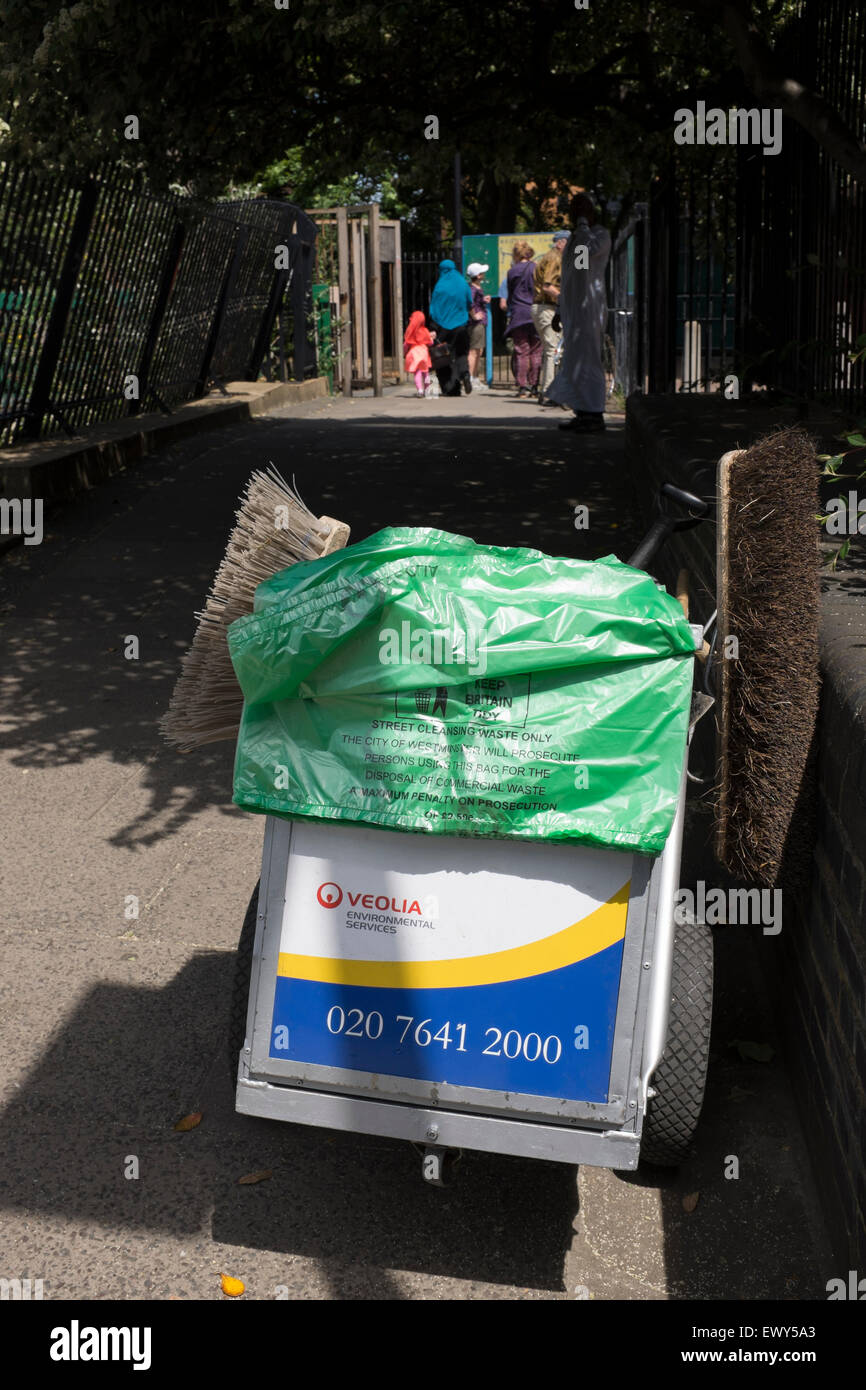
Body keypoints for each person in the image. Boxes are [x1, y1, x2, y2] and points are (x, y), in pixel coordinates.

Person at [547, 193, 612, 432]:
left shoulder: (599, 235)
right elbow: (570, 277)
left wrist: (584, 226)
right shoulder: (576, 238)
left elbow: (584, 261)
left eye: (581, 209)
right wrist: (559, 309)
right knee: (574, 362)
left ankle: (594, 414)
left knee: (588, 360)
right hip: (573, 310)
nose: (577, 214)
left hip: (589, 309)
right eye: (575, 210)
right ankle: (582, 411)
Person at [532, 231, 568, 406]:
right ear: (561, 242)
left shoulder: (551, 256)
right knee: (552, 350)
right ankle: (548, 393)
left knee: (551, 350)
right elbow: (547, 286)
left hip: (544, 307)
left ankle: (548, 391)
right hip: (547, 307)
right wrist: (564, 298)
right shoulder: (555, 258)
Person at [428, 258, 474, 396]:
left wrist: (433, 328)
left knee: (443, 358)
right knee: (461, 353)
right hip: (461, 325)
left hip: (443, 328)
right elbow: (469, 302)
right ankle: (465, 373)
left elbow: (434, 309)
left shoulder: (440, 286)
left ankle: (451, 388)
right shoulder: (462, 283)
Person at [505, 241, 542, 396]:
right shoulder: (536, 268)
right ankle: (535, 386)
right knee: (536, 351)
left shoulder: (512, 271)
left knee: (521, 351)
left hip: (518, 313)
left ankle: (522, 386)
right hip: (535, 311)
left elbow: (510, 293)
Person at [466, 262, 491, 389]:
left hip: (480, 323)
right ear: (478, 275)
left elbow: (474, 302)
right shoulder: (472, 289)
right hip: (476, 324)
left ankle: (475, 377)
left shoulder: (476, 287)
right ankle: (471, 378)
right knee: (474, 351)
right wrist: (474, 315)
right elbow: (469, 303)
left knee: (478, 351)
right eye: (482, 272)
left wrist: (483, 299)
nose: (484, 274)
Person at [403, 310, 434, 397]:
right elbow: (430, 343)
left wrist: (405, 352)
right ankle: (427, 390)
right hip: (424, 353)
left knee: (417, 373)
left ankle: (420, 390)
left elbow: (406, 344)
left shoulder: (411, 331)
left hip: (414, 353)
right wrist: (431, 339)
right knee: (426, 373)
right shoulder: (425, 330)